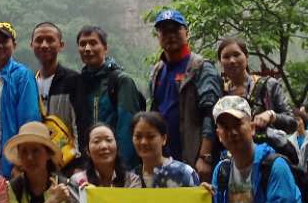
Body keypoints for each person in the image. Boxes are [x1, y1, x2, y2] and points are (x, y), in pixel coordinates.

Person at [148, 10, 222, 182]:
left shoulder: (201, 68)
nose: (170, 35)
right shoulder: (157, 71)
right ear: (158, 36)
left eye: (175, 30)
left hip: (194, 159)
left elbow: (211, 114)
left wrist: (205, 157)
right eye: (164, 31)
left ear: (187, 33)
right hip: (164, 160)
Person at [75, 26, 146, 168]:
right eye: (82, 44)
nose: (87, 48)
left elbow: (127, 129)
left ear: (105, 48)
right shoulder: (79, 83)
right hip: (90, 166)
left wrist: (121, 168)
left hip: (118, 167)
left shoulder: (120, 81)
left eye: (93, 43)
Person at [0, 22, 41, 178]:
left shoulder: (22, 76)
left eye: (4, 41)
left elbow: (29, 120)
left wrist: (20, 162)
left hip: (10, 163)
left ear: (14, 45)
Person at [30, 22, 88, 166]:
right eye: (39, 40)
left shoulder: (73, 80)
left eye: (50, 40)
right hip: (38, 163)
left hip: (68, 161)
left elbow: (81, 124)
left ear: (61, 45)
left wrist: (80, 164)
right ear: (31, 45)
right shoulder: (30, 82)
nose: (44, 45)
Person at [218, 38, 292, 134]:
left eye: (236, 55)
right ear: (220, 62)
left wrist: (272, 116)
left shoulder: (268, 85)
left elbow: (292, 123)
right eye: (226, 57)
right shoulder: (220, 92)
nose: (232, 60)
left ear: (246, 56)